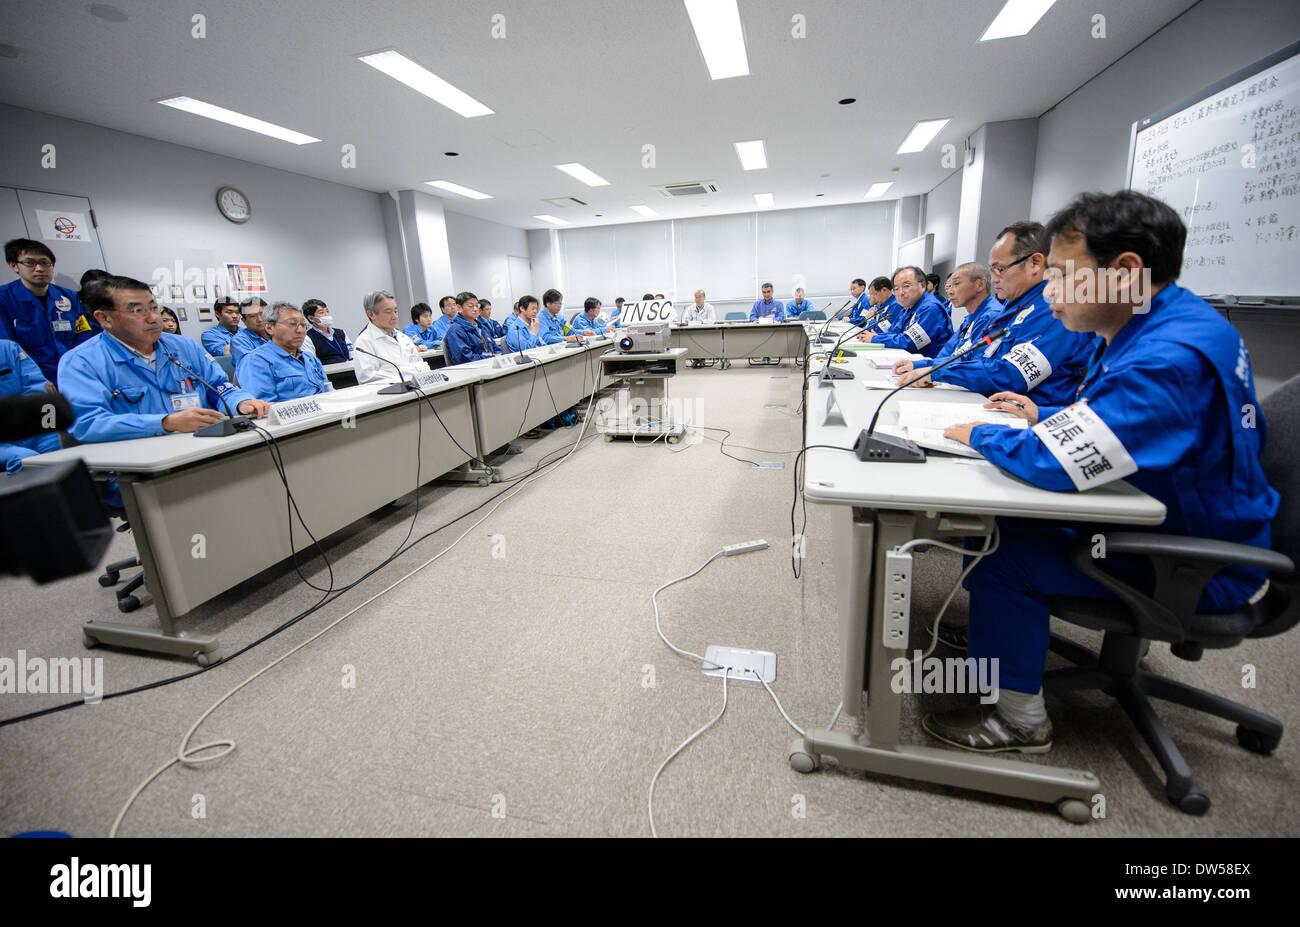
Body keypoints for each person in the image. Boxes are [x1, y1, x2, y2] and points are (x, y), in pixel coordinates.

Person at [928, 191, 1279, 753]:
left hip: (1196, 560)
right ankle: (1001, 644)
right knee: (997, 522)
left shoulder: (1167, 357)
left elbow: (1057, 462)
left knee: (1002, 551)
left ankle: (1019, 721)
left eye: (1064, 274)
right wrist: (1041, 412)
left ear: (1125, 272)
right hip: (1179, 519)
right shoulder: (1160, 320)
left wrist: (980, 434)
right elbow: (1113, 416)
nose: (1052, 290)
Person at [57, 275, 268, 445]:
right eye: (138, 311)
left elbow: (219, 386)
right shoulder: (82, 362)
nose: (153, 318)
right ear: (104, 318)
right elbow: (88, 423)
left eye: (154, 307)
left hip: (202, 449)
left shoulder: (184, 347)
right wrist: (165, 423)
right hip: (137, 467)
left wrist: (241, 402)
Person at [891, 252, 1094, 406]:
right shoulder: (1008, 309)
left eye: (1000, 269)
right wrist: (927, 366)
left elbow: (1011, 375)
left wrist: (936, 370)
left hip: (1016, 414)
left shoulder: (1048, 311)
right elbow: (969, 357)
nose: (995, 278)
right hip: (997, 404)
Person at [0, 239, 99, 386]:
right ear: (14, 265)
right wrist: (34, 380)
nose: (39, 268)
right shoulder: (4, 299)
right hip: (32, 381)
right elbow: (6, 349)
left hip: (73, 374)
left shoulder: (68, 297)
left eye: (45, 262)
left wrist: (84, 368)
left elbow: (82, 334)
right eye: (30, 263)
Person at [236, 301, 331, 402]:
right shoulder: (256, 361)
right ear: (269, 327)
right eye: (292, 324)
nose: (300, 330)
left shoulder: (310, 358)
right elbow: (266, 408)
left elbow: (327, 391)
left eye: (303, 325)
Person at [857, 266, 951, 358]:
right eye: (896, 289)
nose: (900, 293)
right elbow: (895, 332)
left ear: (922, 285)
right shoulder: (909, 307)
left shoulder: (931, 308)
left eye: (906, 286)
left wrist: (875, 338)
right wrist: (876, 336)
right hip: (906, 360)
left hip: (926, 367)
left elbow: (909, 342)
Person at [0, 338, 60, 473]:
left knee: (68, 451)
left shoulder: (8, 348)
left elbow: (36, 387)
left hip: (29, 426)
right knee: (27, 460)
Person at [352, 289, 427, 384]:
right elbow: (367, 378)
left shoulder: (403, 338)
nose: (394, 316)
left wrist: (402, 371)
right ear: (371, 314)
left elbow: (423, 366)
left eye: (395, 311)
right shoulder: (363, 342)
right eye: (388, 312)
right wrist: (408, 371)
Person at [443, 291, 498, 365]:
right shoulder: (456, 331)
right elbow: (464, 358)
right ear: (459, 308)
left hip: (490, 365)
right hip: (474, 370)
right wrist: (490, 357)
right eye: (471, 306)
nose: (475, 309)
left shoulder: (481, 327)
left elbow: (496, 348)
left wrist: (499, 356)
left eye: (477, 305)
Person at [303, 298, 352, 364]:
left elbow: (352, 353)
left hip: (349, 370)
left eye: (327, 311)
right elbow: (312, 364)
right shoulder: (307, 338)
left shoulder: (341, 333)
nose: (326, 314)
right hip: (328, 373)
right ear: (311, 318)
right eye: (321, 312)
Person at [231, 296, 272, 365]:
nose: (260, 319)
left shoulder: (279, 333)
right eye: (253, 316)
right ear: (244, 321)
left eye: (262, 314)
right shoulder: (239, 341)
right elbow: (252, 366)